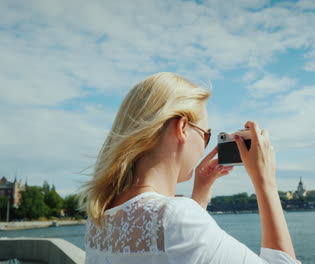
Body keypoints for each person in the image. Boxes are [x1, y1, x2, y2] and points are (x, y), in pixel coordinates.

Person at [81, 72, 300, 263]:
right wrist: (266, 182)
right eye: (206, 135)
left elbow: (169, 251)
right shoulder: (176, 216)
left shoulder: (99, 220)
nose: (205, 145)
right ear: (183, 127)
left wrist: (200, 195)